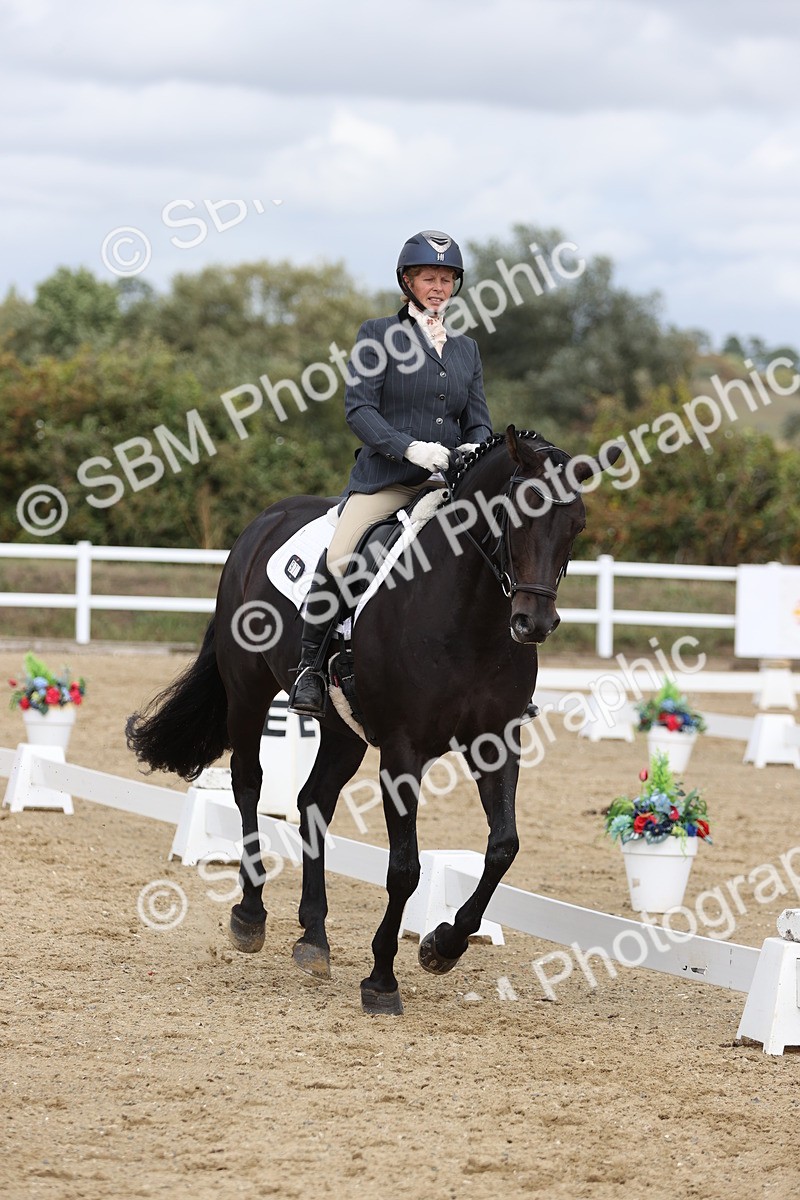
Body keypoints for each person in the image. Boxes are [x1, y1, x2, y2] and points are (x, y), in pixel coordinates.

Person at [287, 229, 493, 717]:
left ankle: (497, 678)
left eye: (446, 279)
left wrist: (473, 446)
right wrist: (410, 449)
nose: (438, 287)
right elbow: (359, 409)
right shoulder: (378, 335)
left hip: (449, 484)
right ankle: (309, 669)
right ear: (407, 282)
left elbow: (479, 419)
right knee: (342, 556)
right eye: (428, 278)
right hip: (388, 480)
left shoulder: (466, 349)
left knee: (498, 552)